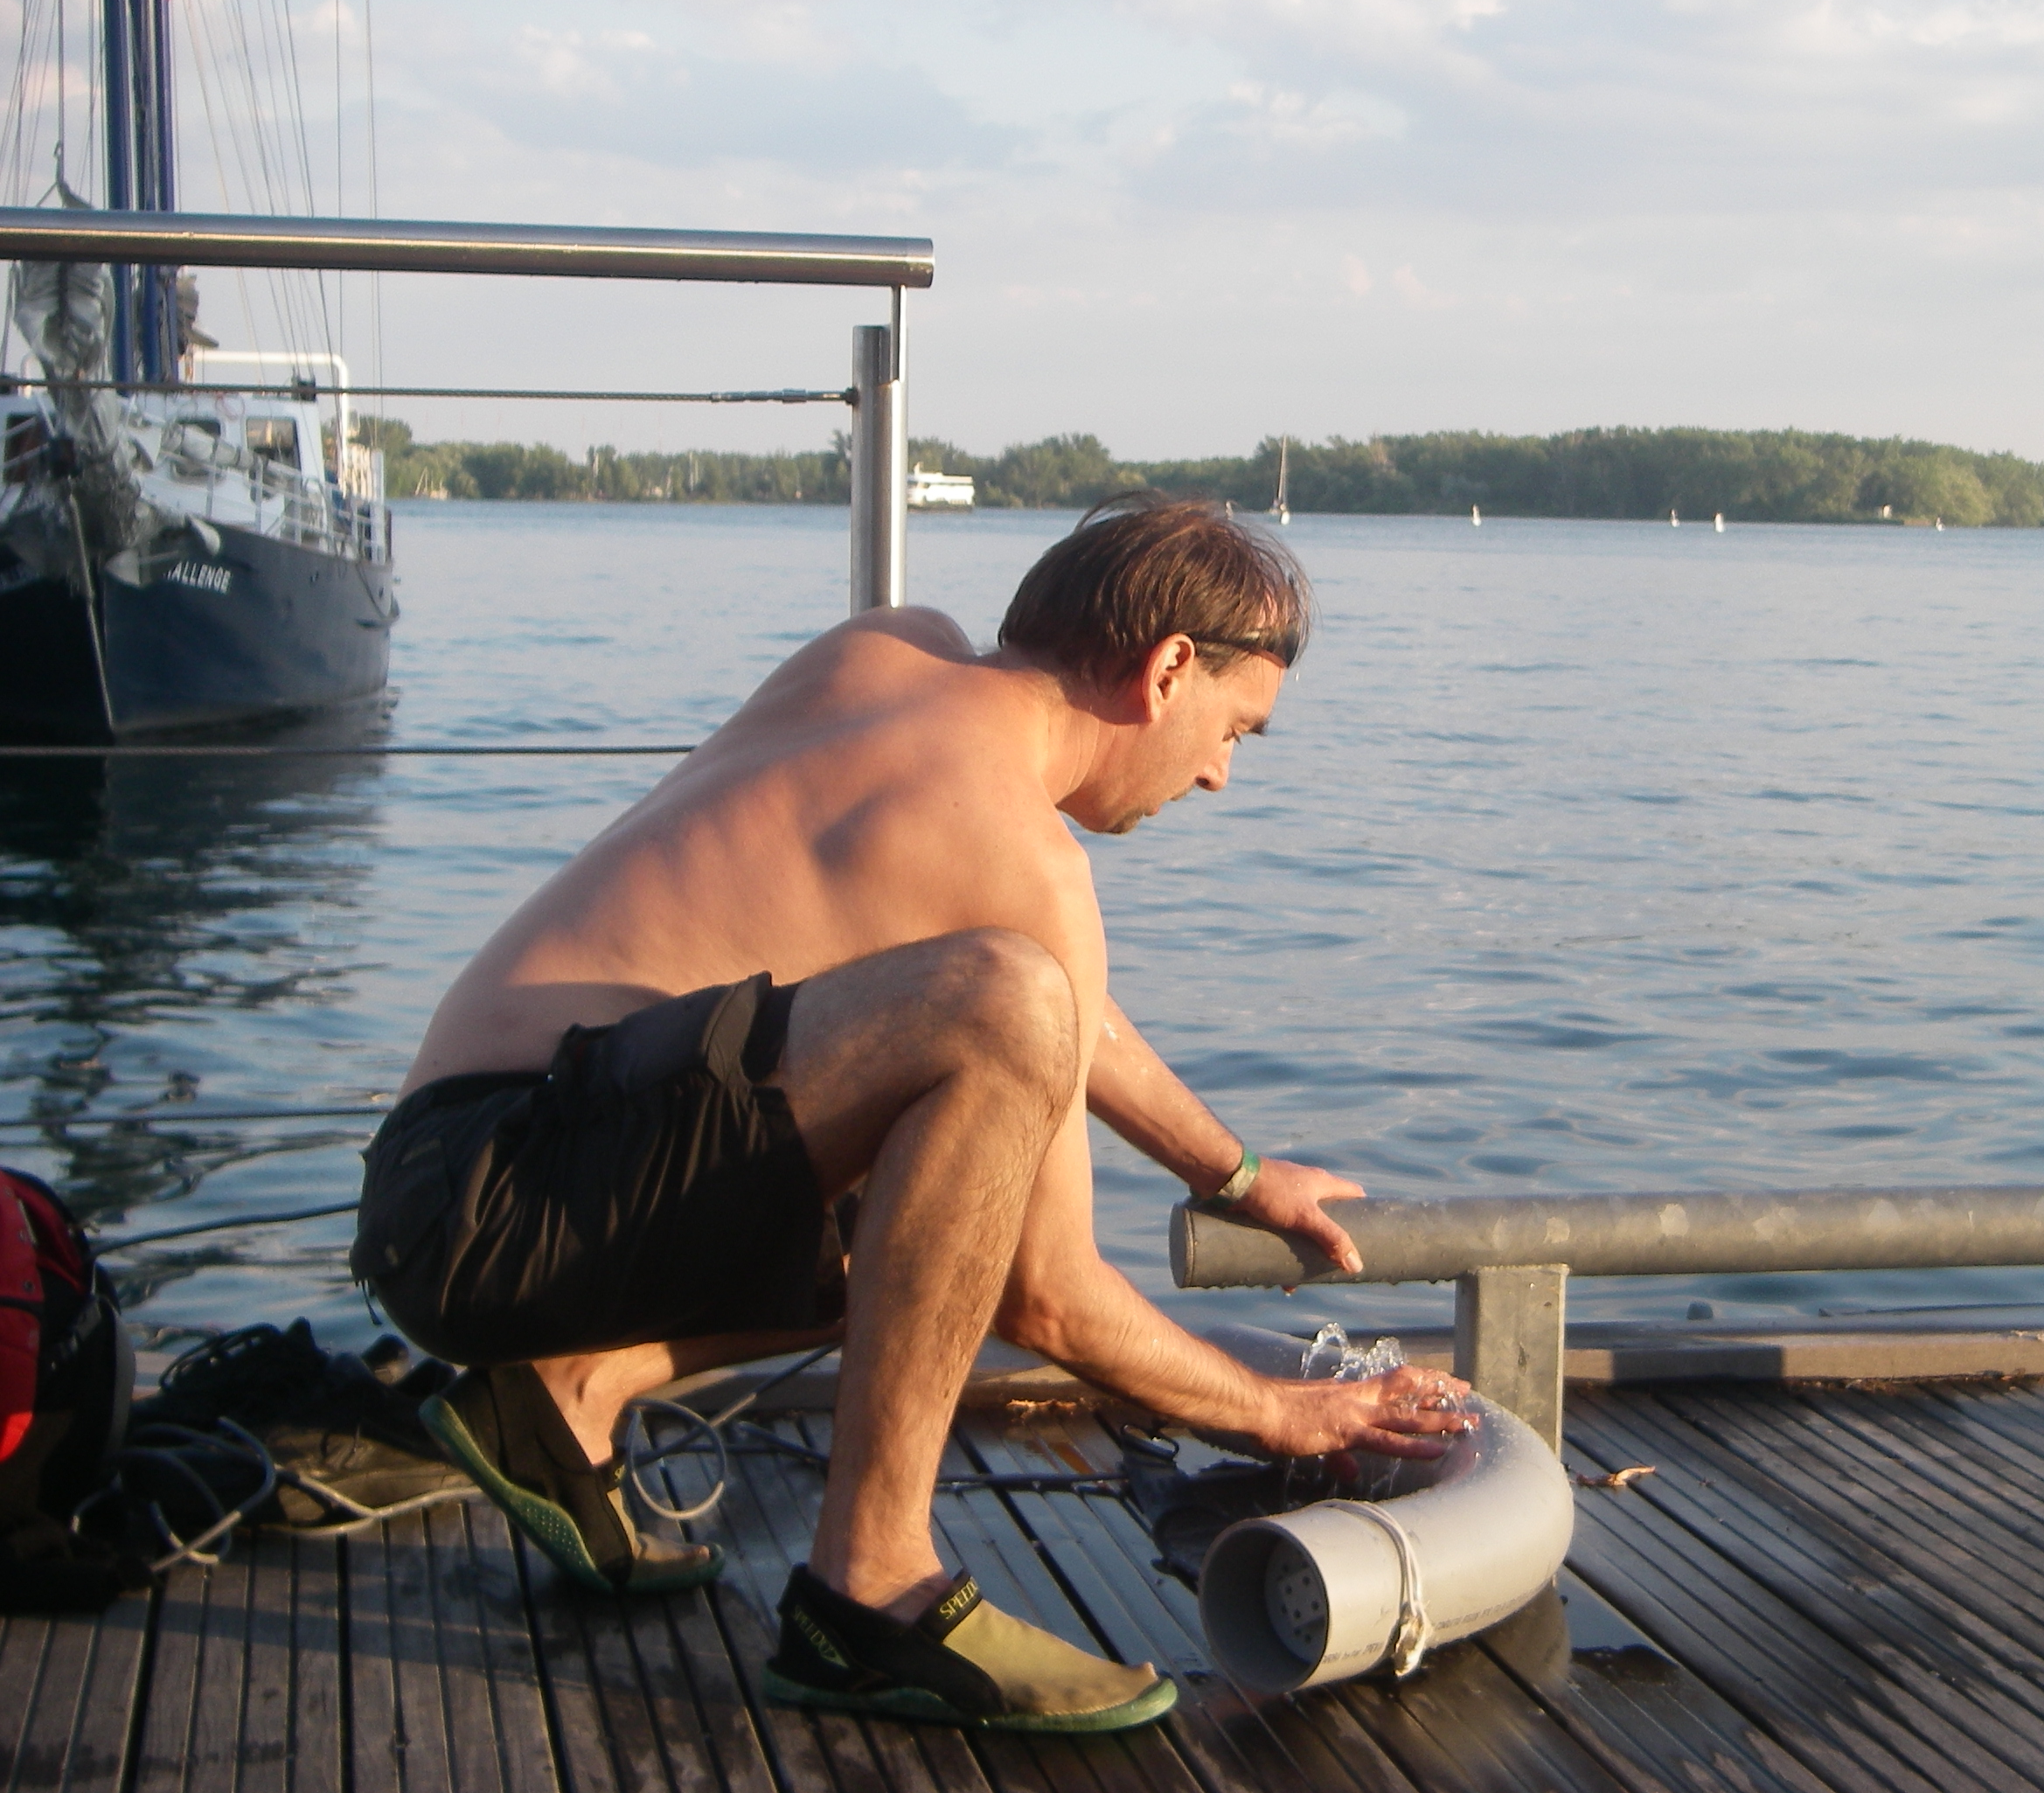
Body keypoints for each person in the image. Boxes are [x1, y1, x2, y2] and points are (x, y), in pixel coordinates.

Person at [350, 494, 1473, 1734]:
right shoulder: (1027, 862)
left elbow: (1063, 1008)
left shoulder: (887, 650)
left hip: (441, 1176)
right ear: (1166, 673)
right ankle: (870, 1592)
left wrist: (1235, 1171)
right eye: (1234, 731)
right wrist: (1283, 1412)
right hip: (509, 1212)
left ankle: (565, 1390)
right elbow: (1045, 1293)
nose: (1216, 772)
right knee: (982, 1103)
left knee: (939, 1187)